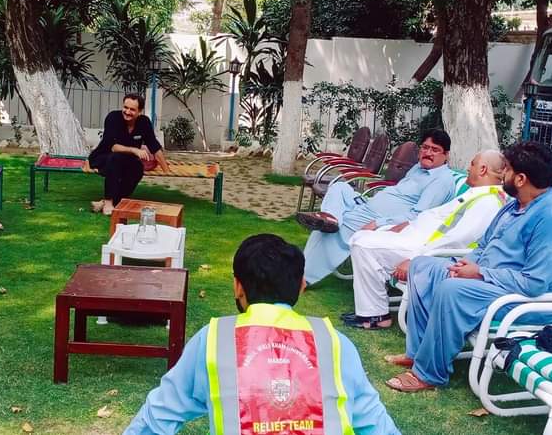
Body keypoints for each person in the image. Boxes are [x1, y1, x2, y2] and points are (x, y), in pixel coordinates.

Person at [124, 234, 401, 435]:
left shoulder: (214, 340)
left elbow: (158, 415)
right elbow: (375, 422)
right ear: (301, 287)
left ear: (238, 287)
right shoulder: (335, 343)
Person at [385, 141, 552, 393]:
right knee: (423, 267)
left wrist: (479, 273)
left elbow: (534, 283)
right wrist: (466, 264)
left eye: (507, 170)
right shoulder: (515, 205)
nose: (502, 175)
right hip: (490, 283)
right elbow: (485, 244)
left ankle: (429, 374)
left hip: (527, 302)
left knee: (451, 289)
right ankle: (420, 352)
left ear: (521, 179)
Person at [342, 150, 507, 331]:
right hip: (416, 239)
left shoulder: (488, 202)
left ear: (482, 169)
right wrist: (407, 225)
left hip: (427, 252)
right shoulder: (478, 194)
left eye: (472, 164)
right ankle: (372, 310)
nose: (468, 168)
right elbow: (437, 218)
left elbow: (456, 241)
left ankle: (375, 315)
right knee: (363, 237)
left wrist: (417, 260)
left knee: (362, 244)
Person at [296, 129, 457, 285]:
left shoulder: (441, 181)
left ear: (446, 155)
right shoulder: (418, 168)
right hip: (367, 205)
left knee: (336, 229)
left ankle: (303, 277)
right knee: (339, 188)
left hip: (380, 220)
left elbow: (418, 216)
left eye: (435, 150)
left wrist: (378, 223)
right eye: (425, 147)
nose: (428, 152)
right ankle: (331, 217)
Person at [88, 93, 171, 215]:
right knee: (115, 159)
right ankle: (109, 202)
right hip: (103, 157)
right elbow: (113, 147)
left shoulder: (144, 122)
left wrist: (166, 170)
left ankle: (105, 202)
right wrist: (135, 150)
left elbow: (154, 146)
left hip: (126, 160)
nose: (127, 112)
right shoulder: (113, 118)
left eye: (132, 109)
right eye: (125, 107)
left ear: (140, 111)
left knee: (138, 168)